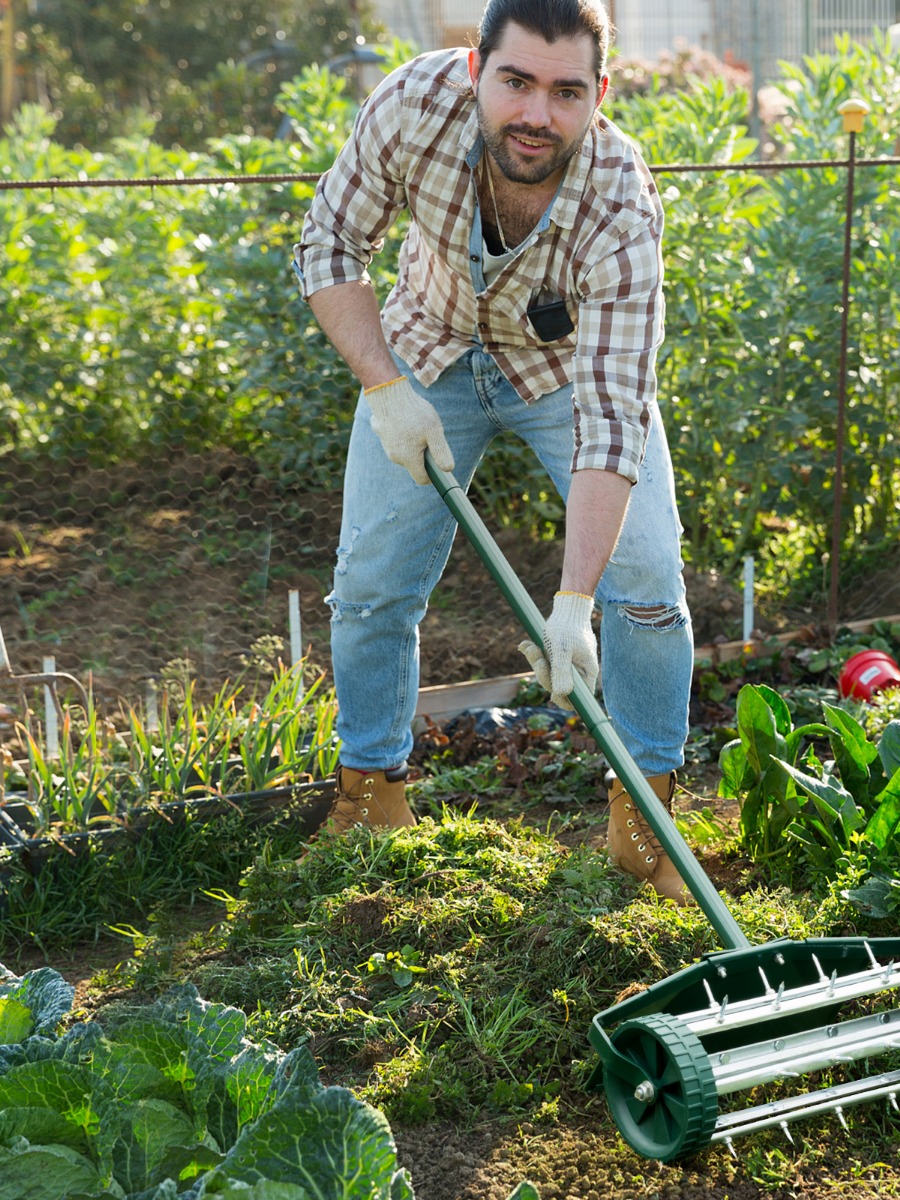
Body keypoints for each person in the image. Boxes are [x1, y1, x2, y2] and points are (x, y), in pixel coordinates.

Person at [292, 0, 695, 902]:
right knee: (371, 586)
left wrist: (573, 605)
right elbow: (329, 243)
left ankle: (645, 824)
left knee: (649, 592)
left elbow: (616, 415)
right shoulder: (413, 107)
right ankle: (372, 795)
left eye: (565, 92)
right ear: (476, 68)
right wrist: (384, 387)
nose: (536, 115)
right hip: (425, 350)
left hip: (563, 379)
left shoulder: (621, 199)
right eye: (515, 82)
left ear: (600, 94)